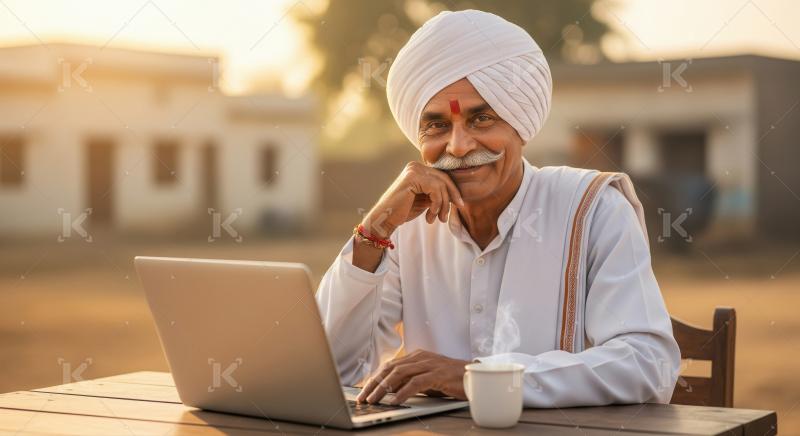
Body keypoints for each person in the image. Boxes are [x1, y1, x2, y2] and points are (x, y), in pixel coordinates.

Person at [315, 9, 680, 408]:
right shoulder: (405, 227)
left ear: (520, 125)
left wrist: (479, 377)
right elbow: (331, 372)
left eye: (482, 119)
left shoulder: (593, 208)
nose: (458, 146)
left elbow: (649, 365)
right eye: (436, 126)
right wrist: (374, 228)